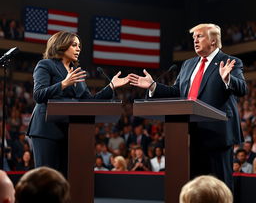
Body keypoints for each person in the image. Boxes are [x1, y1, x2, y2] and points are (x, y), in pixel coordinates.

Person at [129, 23, 247, 189]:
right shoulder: (188, 64)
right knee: (194, 188)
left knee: (219, 188)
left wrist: (228, 79)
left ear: (213, 41)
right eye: (193, 38)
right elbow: (177, 92)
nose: (195, 40)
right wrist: (153, 86)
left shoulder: (230, 62)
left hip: (217, 137)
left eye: (200, 36)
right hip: (189, 135)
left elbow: (242, 89)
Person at [27, 31, 129, 176]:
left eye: (79, 46)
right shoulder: (45, 65)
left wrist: (111, 86)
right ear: (61, 46)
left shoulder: (76, 72)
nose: (78, 49)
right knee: (46, 177)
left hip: (69, 130)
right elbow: (38, 95)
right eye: (74, 45)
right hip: (46, 129)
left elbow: (88, 101)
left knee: (64, 178)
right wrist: (63, 83)